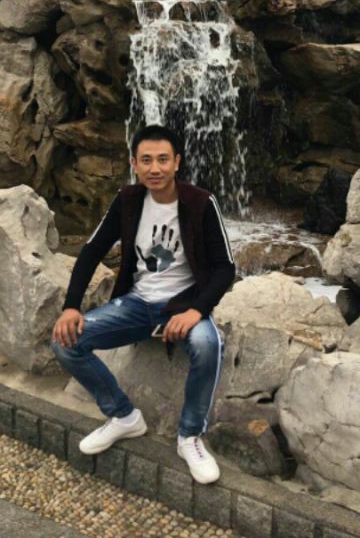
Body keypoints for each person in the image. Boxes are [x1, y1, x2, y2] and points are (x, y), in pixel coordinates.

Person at [50, 124, 235, 485]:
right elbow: (91, 251)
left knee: (207, 343)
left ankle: (190, 436)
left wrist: (196, 310)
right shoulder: (128, 199)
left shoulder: (200, 202)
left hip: (182, 304)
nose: (155, 168)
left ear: (177, 162)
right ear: (134, 164)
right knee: (64, 343)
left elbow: (225, 267)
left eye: (163, 159)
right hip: (136, 304)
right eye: (146, 160)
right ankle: (123, 416)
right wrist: (71, 306)